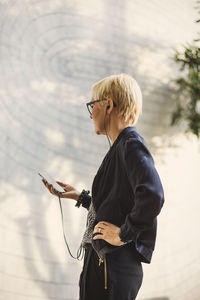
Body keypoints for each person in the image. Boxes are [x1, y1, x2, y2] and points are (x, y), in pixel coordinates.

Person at [42, 73, 165, 300]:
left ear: (109, 105)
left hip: (112, 266)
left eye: (92, 105)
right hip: (101, 262)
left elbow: (153, 195)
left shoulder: (130, 144)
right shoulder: (120, 147)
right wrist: (82, 198)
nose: (91, 115)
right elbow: (117, 204)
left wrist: (124, 234)